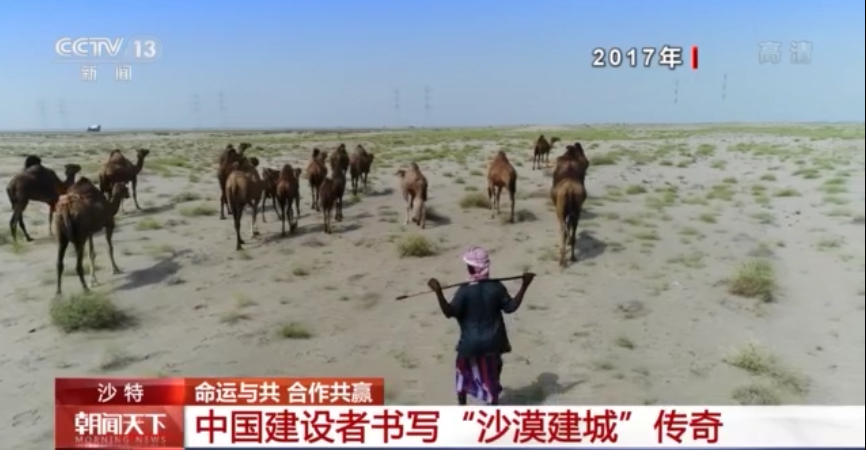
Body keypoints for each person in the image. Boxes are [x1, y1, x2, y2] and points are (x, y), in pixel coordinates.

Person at [427, 246, 535, 406]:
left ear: (471, 269)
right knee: (493, 373)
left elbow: (449, 312)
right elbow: (510, 307)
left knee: (462, 374)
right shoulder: (496, 287)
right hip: (494, 343)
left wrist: (438, 292)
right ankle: (493, 403)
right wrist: (525, 285)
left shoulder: (464, 291)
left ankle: (462, 407)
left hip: (469, 344)